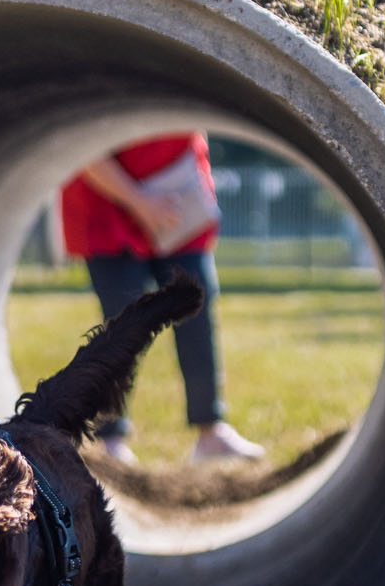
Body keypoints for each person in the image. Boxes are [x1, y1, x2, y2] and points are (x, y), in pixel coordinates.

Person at [58, 133, 264, 465]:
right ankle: (110, 441)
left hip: (177, 203)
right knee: (122, 321)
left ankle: (211, 430)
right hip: (108, 206)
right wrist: (138, 200)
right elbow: (84, 141)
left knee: (196, 305)